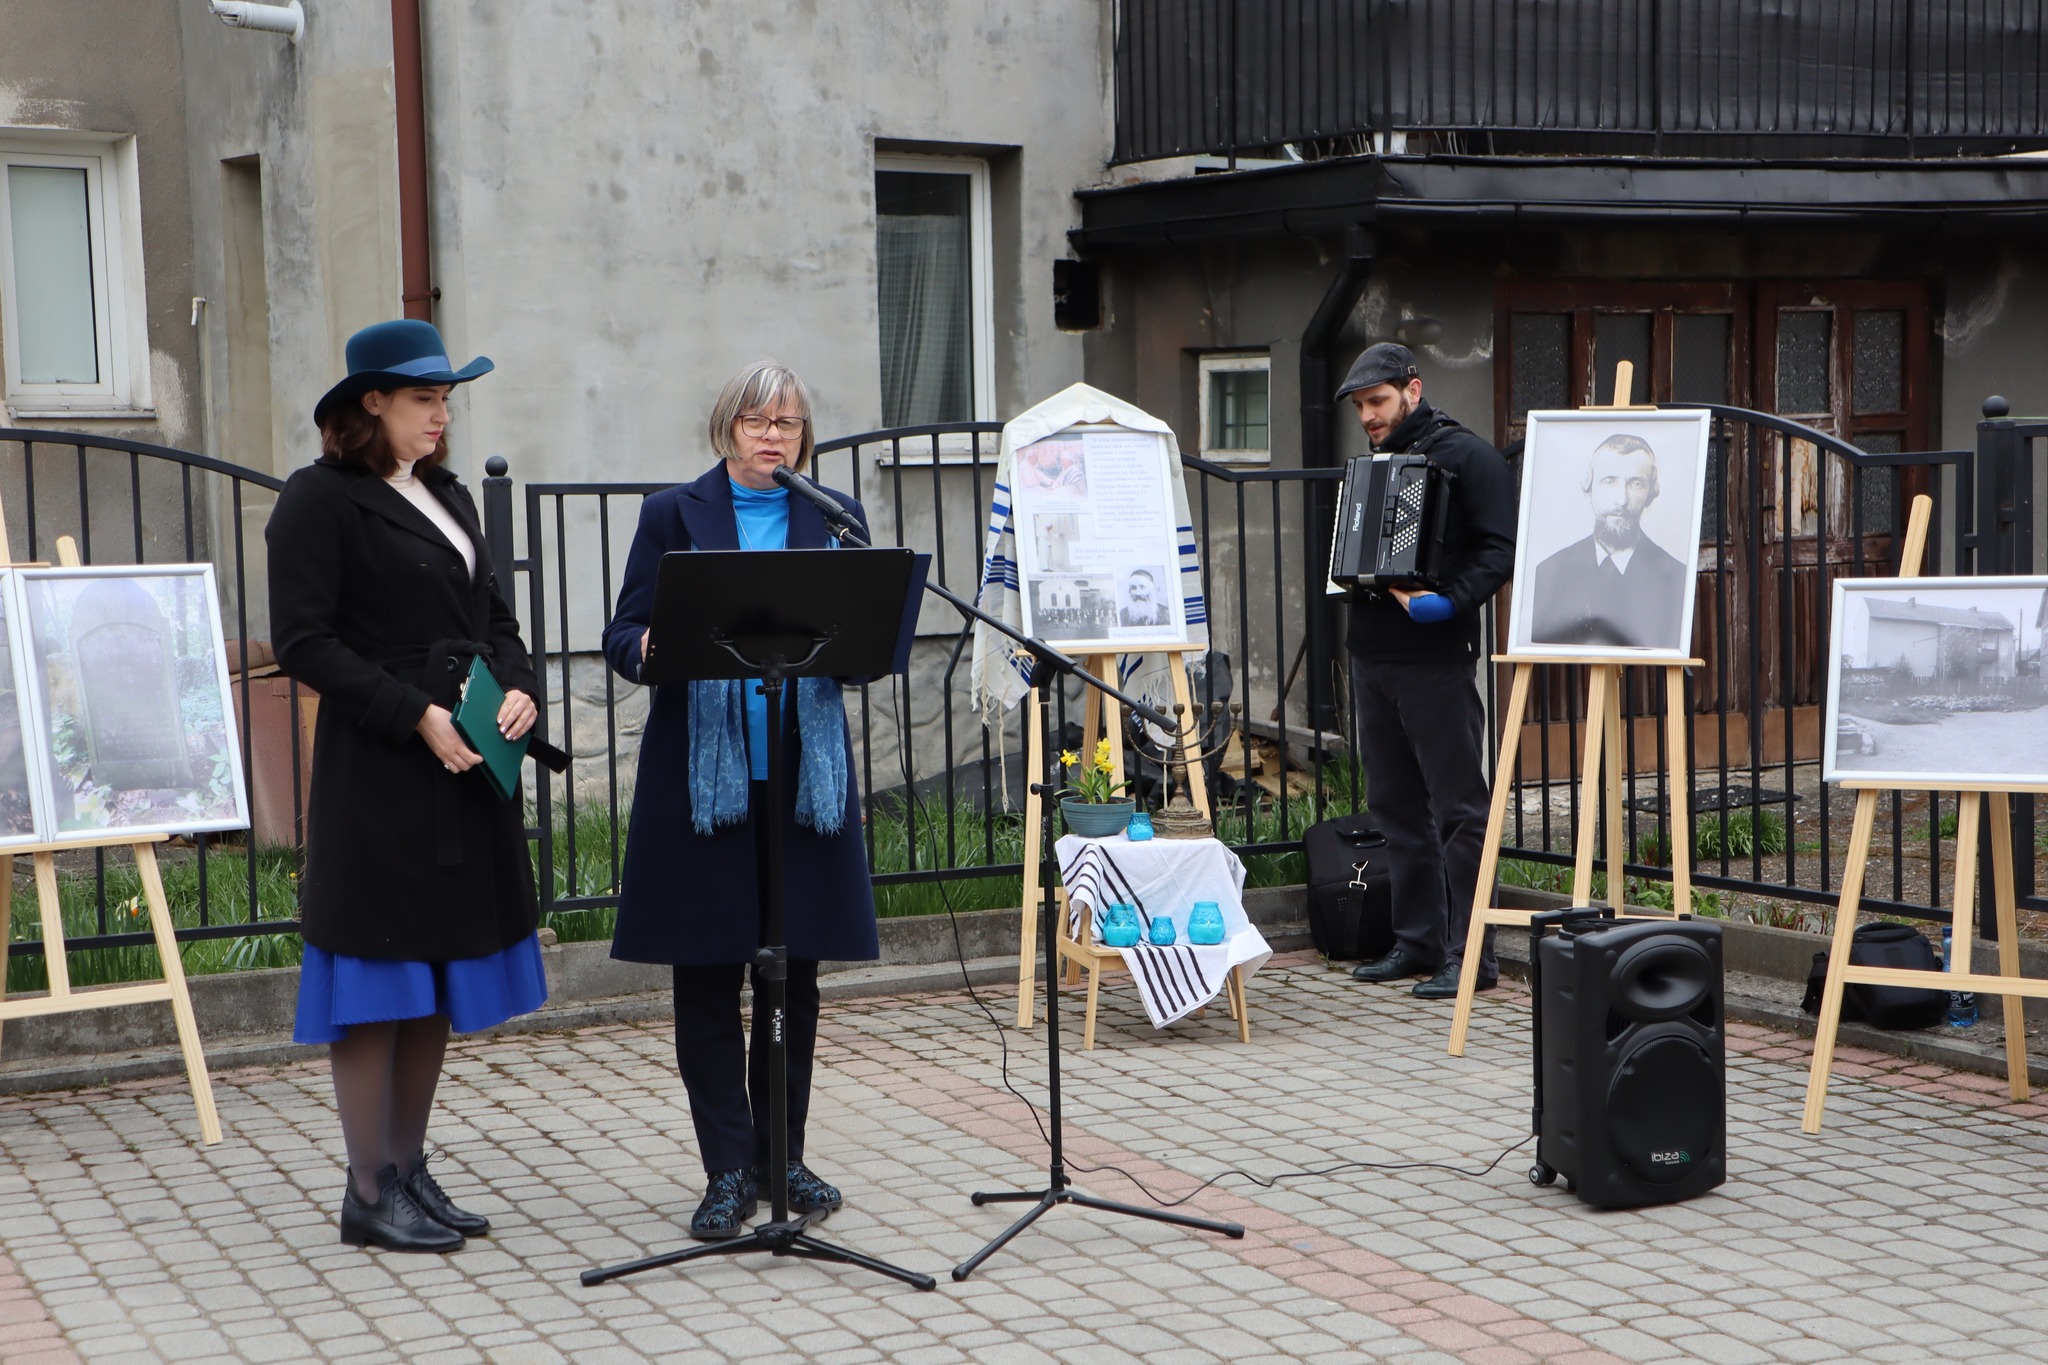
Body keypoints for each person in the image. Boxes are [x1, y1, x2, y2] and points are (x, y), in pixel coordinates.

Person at [269, 319, 563, 1253]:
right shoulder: (318, 500)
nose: (442, 417)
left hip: (464, 768)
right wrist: (415, 714)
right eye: (425, 400)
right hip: (384, 768)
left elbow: (496, 617)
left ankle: (408, 1166)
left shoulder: (443, 493)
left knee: (435, 968)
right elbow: (305, 642)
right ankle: (367, 1187)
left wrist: (519, 688)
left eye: (445, 401)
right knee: (376, 973)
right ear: (372, 405)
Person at [601, 361, 878, 1240]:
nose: (772, 436)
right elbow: (622, 635)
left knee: (794, 976)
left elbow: (864, 646)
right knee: (710, 977)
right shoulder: (671, 514)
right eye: (756, 420)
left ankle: (780, 1156)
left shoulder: (834, 518)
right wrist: (645, 646)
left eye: (788, 423)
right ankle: (727, 1170)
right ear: (727, 428)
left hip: (803, 786)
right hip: (704, 787)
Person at [1337, 343, 1516, 999]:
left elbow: (1500, 549)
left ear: (1413, 390)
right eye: (1360, 406)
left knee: (1460, 811)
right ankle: (1415, 943)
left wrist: (1453, 600)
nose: (1368, 416)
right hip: (1372, 656)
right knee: (1394, 808)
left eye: (1377, 402)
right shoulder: (1375, 463)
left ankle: (1472, 957)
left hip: (1436, 661)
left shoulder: (1470, 456)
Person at [1528, 433, 1689, 650]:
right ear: (1588, 490)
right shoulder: (1550, 572)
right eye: (1609, 481)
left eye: (1636, 483)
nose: (1621, 500)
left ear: (1651, 493)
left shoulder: (1675, 577)